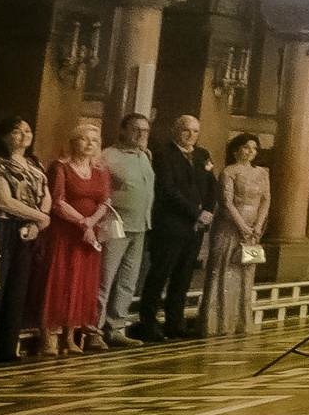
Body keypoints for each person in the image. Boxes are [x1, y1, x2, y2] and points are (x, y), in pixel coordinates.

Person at [139, 115, 217, 342]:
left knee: (183, 277)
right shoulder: (164, 154)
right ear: (176, 130)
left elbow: (212, 186)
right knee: (160, 274)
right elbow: (168, 189)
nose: (191, 135)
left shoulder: (202, 155)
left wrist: (209, 212)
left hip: (196, 228)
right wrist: (196, 212)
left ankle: (175, 322)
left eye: (195, 131)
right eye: (186, 131)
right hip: (171, 225)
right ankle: (148, 323)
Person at [40, 122, 111, 356]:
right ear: (73, 142)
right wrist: (82, 222)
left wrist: (90, 224)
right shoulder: (60, 167)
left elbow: (105, 201)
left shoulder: (100, 171)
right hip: (64, 233)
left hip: (88, 237)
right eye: (85, 139)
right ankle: (49, 336)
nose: (90, 144)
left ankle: (70, 337)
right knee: (59, 282)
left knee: (80, 285)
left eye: (95, 140)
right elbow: (58, 202)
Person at [0, 116, 52, 363]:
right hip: (4, 226)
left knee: (18, 289)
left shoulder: (35, 164)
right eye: (16, 130)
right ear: (3, 136)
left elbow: (46, 196)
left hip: (29, 229)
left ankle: (8, 346)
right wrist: (40, 219)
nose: (24, 135)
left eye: (27, 130)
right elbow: (3, 200)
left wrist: (37, 222)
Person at [201, 133, 269, 335]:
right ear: (235, 150)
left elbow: (266, 200)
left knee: (245, 273)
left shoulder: (262, 173)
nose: (251, 152)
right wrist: (243, 227)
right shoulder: (229, 172)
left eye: (254, 149)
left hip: (254, 228)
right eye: (247, 147)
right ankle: (218, 323)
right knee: (224, 271)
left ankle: (241, 321)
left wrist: (257, 226)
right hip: (229, 227)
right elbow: (226, 203)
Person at [101, 116, 154, 347]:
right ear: (123, 130)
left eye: (145, 130)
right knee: (105, 278)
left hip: (140, 225)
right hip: (115, 224)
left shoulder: (145, 156)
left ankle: (115, 328)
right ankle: (94, 329)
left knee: (128, 281)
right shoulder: (107, 156)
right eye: (136, 130)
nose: (141, 135)